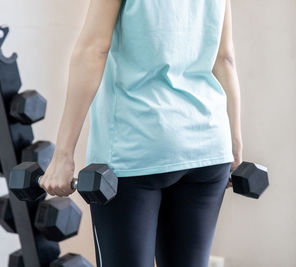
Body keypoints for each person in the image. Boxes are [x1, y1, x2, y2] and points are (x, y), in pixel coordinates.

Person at [38, 0, 242, 266]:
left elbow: (93, 50)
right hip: (209, 146)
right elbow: (224, 59)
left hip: (135, 150)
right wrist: (235, 144)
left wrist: (63, 155)